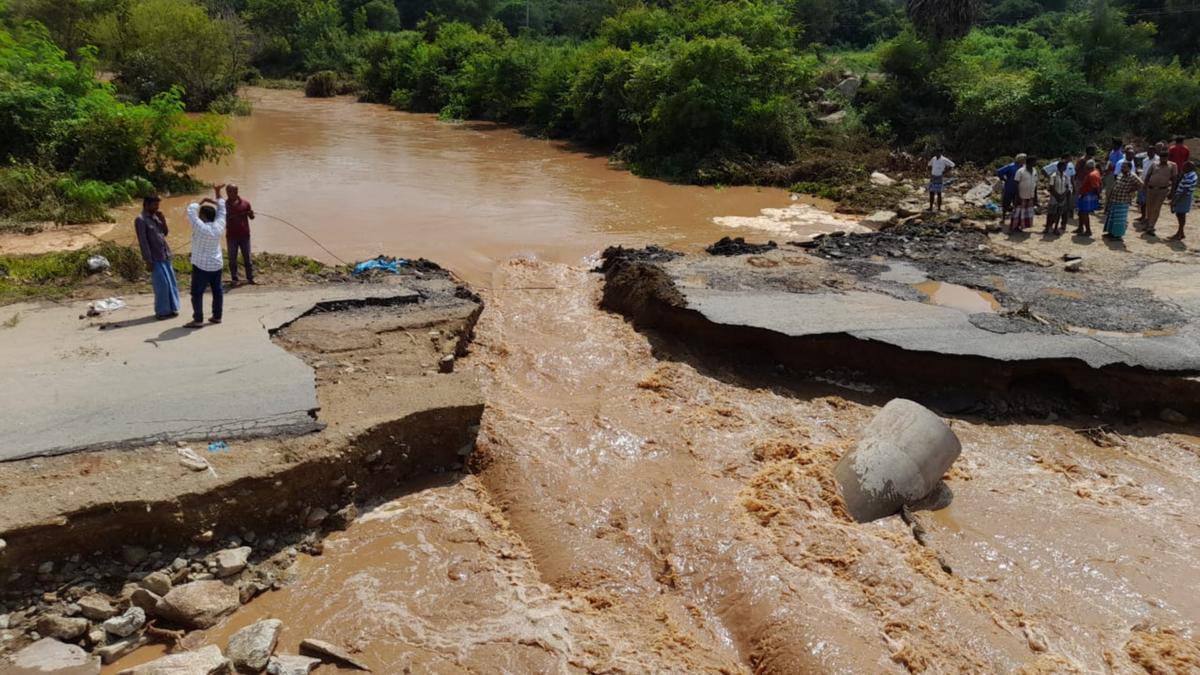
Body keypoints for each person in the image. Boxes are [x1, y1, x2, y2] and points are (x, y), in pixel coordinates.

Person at [186, 185, 228, 328]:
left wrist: (201, 201)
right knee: (217, 291)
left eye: (200, 215)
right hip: (216, 264)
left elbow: (190, 211)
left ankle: (198, 319)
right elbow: (222, 210)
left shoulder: (200, 227)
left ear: (203, 216)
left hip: (201, 266)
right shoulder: (219, 226)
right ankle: (217, 316)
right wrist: (217, 194)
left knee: (197, 293)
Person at [133, 195, 179, 320]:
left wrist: (163, 219)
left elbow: (164, 233)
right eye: (154, 205)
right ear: (146, 205)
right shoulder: (140, 220)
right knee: (161, 285)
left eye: (157, 205)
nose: (156, 207)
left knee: (171, 283)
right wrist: (148, 260)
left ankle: (172, 308)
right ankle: (162, 312)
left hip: (165, 254)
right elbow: (143, 242)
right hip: (155, 258)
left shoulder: (156, 217)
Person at [224, 183, 256, 286]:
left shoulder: (245, 204)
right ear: (227, 192)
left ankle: (250, 278)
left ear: (237, 192)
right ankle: (234, 279)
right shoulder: (224, 205)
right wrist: (228, 219)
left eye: (233, 191)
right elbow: (220, 220)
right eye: (229, 191)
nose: (231, 193)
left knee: (247, 258)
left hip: (244, 235)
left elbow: (252, 217)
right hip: (231, 236)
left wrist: (251, 214)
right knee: (232, 259)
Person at [1103, 161, 1142, 241]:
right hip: (1114, 200)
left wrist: (1132, 190)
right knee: (1112, 218)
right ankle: (1111, 233)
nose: (1122, 168)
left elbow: (1141, 184)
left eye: (1124, 167)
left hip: (1122, 201)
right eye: (1122, 167)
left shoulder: (1132, 176)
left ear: (1129, 168)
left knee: (1119, 220)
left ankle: (1117, 236)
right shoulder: (1120, 175)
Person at [1143, 146, 1177, 236]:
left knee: (1156, 208)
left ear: (1167, 158)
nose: (1163, 159)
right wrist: (1144, 186)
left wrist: (1172, 192)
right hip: (1151, 188)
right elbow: (1148, 175)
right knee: (1149, 207)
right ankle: (1148, 223)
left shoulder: (1172, 166)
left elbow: (1174, 180)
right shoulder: (1154, 164)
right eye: (1162, 157)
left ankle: (1151, 226)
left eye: (1165, 157)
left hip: (1162, 190)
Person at [1170, 161, 1197, 241]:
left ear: (1189, 167)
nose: (1182, 168)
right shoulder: (1189, 174)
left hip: (1183, 197)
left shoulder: (1190, 176)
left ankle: (1180, 233)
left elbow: (1185, 190)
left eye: (1184, 167)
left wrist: (1175, 201)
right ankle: (1181, 232)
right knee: (1180, 214)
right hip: (1183, 196)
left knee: (1181, 215)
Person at [1010, 156, 1038, 233]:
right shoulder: (1020, 171)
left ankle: (1022, 226)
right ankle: (1014, 227)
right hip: (1021, 195)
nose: (1036, 163)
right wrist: (1017, 196)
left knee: (1026, 212)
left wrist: (1035, 196)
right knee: (1018, 212)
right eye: (1034, 161)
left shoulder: (1035, 171)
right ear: (1029, 162)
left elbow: (1035, 184)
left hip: (1030, 195)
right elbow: (1016, 184)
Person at [1045, 159, 1072, 235]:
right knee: (1051, 213)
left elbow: (1067, 187)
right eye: (1064, 166)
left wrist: (1063, 195)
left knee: (1058, 213)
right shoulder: (1053, 176)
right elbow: (1051, 187)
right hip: (1054, 196)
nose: (1065, 168)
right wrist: (1058, 195)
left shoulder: (1065, 176)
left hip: (1062, 196)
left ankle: (1055, 228)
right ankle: (1047, 227)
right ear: (1059, 167)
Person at [1076, 159, 1102, 237]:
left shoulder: (1092, 175)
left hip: (1087, 194)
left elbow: (1095, 187)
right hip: (1085, 193)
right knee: (1081, 212)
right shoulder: (1095, 172)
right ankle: (1080, 228)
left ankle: (1088, 230)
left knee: (1084, 213)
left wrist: (1098, 196)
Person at [997, 154, 1025, 219]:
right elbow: (999, 171)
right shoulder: (1011, 166)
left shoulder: (1023, 167)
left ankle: (1015, 218)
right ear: (1020, 160)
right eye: (1024, 159)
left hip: (1019, 189)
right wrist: (1003, 179)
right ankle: (1003, 217)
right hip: (1009, 187)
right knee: (1006, 203)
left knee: (1017, 204)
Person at [1103, 139, 1125, 207]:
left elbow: (1117, 166)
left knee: (1111, 191)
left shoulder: (1120, 155)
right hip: (1108, 173)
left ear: (1117, 145)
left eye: (1113, 144)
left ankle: (1109, 207)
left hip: (1114, 174)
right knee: (1107, 191)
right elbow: (1109, 162)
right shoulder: (1112, 152)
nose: (1112, 145)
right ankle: (1107, 206)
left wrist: (1109, 169)